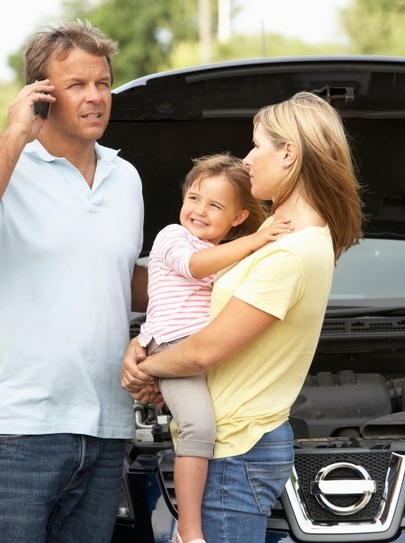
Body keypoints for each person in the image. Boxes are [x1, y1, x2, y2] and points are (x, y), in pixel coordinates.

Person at [0, 20, 146, 542]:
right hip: (14, 426)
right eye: (76, 85)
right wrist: (14, 136)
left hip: (106, 425)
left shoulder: (127, 178)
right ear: (40, 96)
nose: (96, 98)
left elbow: (122, 281)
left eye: (102, 83)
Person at [122, 91, 363, 542]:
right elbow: (187, 300)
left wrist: (142, 368)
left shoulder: (289, 253)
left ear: (288, 153)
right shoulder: (286, 242)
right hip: (233, 444)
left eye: (257, 146)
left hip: (237, 450)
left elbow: (206, 349)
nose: (247, 160)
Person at [139, 153, 293, 543]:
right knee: (198, 428)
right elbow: (195, 266)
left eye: (215, 204)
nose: (199, 210)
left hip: (207, 353)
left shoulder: (227, 256)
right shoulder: (174, 238)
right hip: (174, 349)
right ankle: (188, 533)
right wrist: (258, 241)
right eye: (194, 198)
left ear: (238, 217)